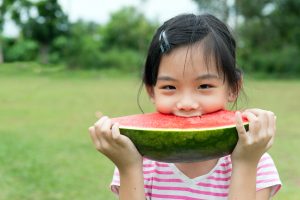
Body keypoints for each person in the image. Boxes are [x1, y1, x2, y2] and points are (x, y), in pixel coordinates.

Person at [88, 14, 281, 200]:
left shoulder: (257, 162)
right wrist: (128, 167)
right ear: (151, 91)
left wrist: (245, 163)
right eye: (169, 87)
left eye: (204, 86)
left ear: (233, 88)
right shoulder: (135, 160)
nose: (186, 104)